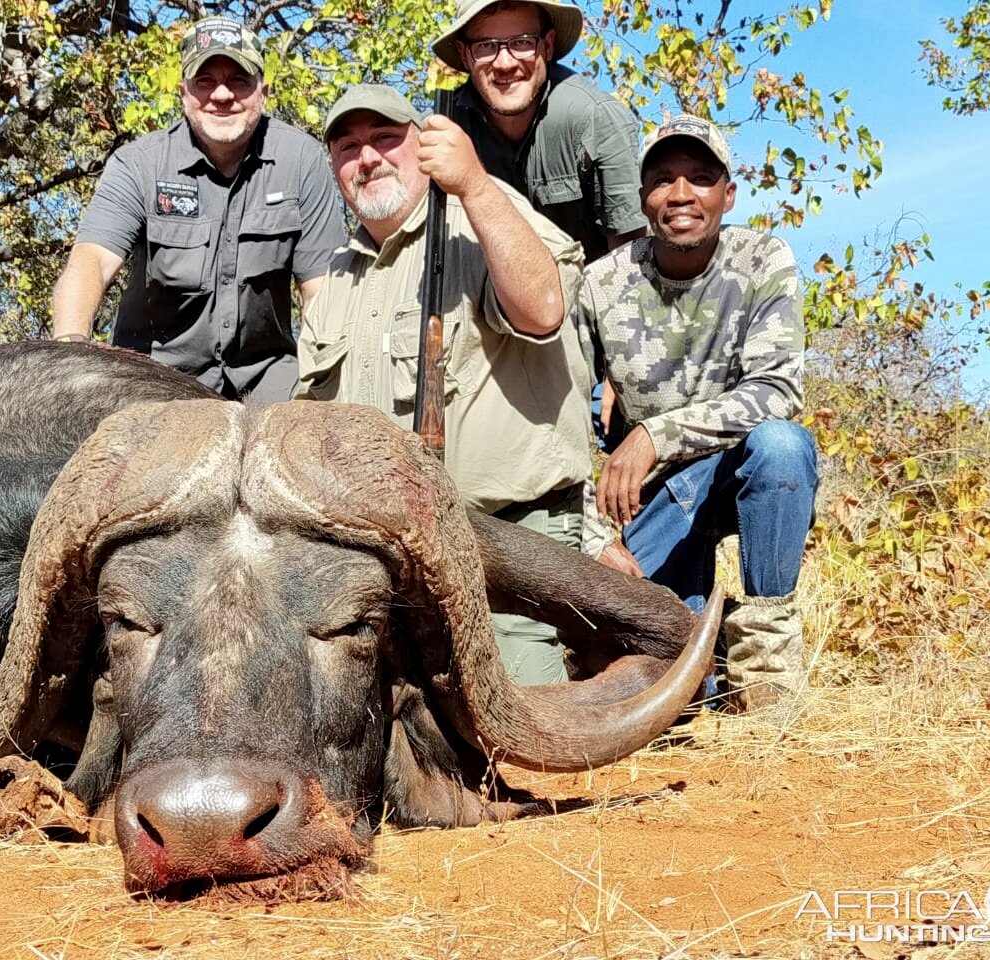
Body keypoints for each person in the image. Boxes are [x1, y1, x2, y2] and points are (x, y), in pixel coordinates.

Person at [296, 84, 588, 685]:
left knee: (512, 745)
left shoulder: (482, 211)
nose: (367, 157)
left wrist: (475, 184)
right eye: (348, 146)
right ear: (334, 167)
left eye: (385, 138)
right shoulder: (336, 283)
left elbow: (542, 308)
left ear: (424, 144)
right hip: (383, 559)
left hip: (506, 540)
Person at [579, 114, 819, 711]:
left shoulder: (763, 259)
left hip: (739, 474)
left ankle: (766, 665)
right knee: (679, 696)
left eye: (701, 178)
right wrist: (591, 535)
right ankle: (710, 646)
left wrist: (653, 436)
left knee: (784, 446)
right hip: (654, 498)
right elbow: (553, 421)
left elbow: (777, 391)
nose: (681, 195)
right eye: (663, 180)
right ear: (643, 199)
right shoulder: (599, 282)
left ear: (727, 195)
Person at [51, 17, 346, 403]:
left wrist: (321, 390)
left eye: (240, 81)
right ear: (183, 93)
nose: (222, 95)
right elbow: (90, 263)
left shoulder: (301, 159)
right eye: (204, 81)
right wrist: (72, 350)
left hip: (268, 377)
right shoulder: (138, 164)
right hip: (153, 377)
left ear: (264, 92)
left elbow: (321, 292)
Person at [432, 0, 647, 264]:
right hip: (482, 299)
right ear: (464, 54)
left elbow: (631, 259)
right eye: (486, 46)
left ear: (547, 45)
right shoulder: (442, 129)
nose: (504, 63)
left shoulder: (594, 118)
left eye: (522, 43)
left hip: (588, 298)